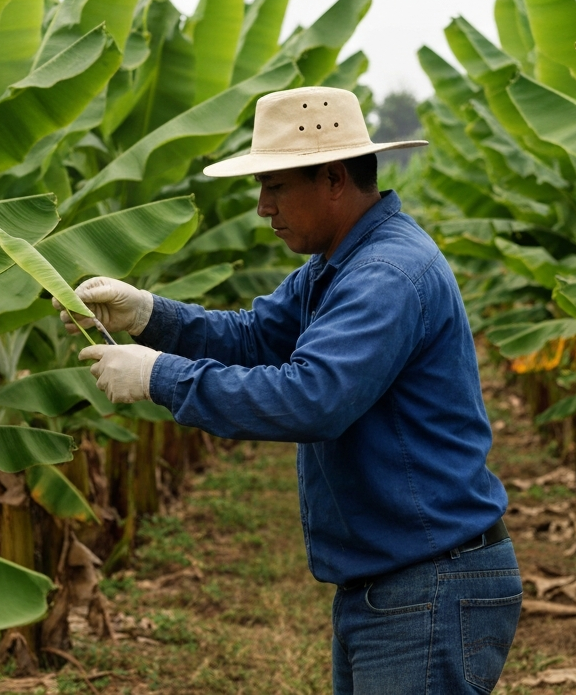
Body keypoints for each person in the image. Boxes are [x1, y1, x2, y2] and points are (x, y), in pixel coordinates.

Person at [61, 86, 520, 694]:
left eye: (275, 187)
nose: (261, 207)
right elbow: (255, 336)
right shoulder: (339, 264)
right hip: (397, 580)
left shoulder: (384, 275)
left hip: (428, 581)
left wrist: (157, 377)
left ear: (333, 179)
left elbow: (313, 398)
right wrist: (149, 315)